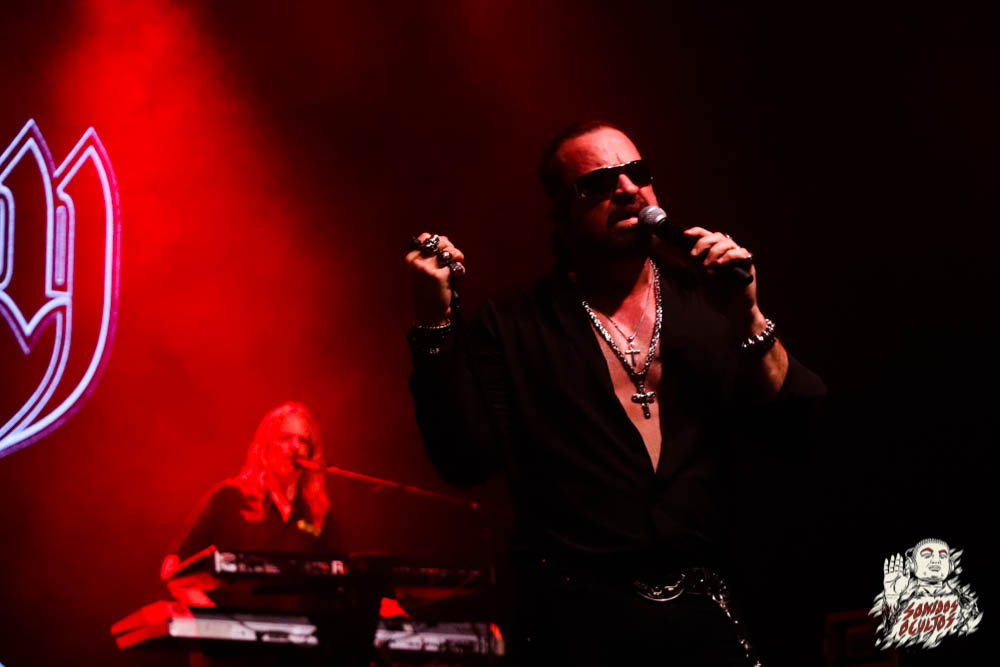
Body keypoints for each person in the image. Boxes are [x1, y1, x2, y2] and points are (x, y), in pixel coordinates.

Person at [405, 121, 826, 664]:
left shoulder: (708, 301)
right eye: (599, 183)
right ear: (560, 212)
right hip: (577, 625)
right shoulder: (513, 324)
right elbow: (463, 460)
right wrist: (435, 320)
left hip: (710, 623)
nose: (627, 189)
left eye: (637, 173)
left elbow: (803, 425)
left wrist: (748, 315)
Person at [162, 401, 337, 580]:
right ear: (265, 447)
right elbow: (173, 569)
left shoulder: (317, 515)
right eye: (285, 438)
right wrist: (202, 599)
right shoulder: (229, 498)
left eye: (303, 441)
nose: (295, 446)